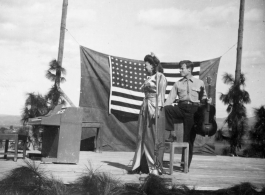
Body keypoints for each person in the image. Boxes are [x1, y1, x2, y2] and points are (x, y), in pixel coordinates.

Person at [164, 60, 211, 169]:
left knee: (188, 138)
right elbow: (169, 99)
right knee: (166, 109)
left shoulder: (200, 83)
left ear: (189, 69)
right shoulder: (178, 83)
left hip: (193, 111)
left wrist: (206, 101)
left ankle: (185, 165)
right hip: (181, 108)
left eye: (182, 68)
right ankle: (171, 133)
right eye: (180, 68)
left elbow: (203, 98)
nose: (180, 70)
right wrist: (162, 108)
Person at [130, 53, 167, 175]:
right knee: (142, 135)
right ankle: (140, 165)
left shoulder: (160, 76)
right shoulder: (148, 78)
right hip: (145, 107)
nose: (144, 67)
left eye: (146, 65)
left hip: (154, 108)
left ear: (152, 65)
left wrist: (157, 109)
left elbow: (161, 94)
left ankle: (154, 167)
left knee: (152, 137)